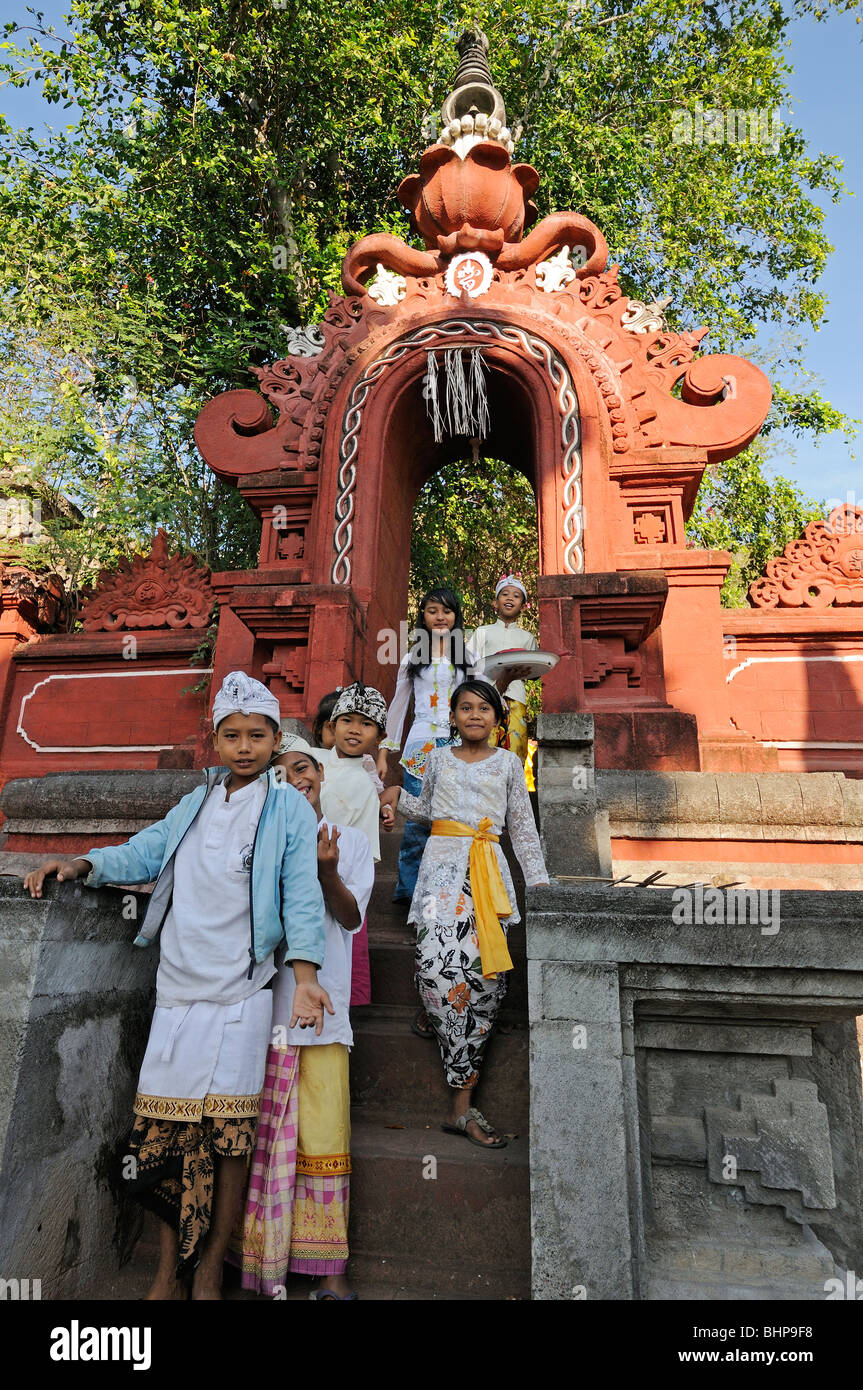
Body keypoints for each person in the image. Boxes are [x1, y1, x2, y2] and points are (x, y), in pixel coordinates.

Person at [23, 671, 329, 1301]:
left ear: (276, 739)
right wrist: (83, 862)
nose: (244, 746)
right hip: (176, 993)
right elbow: (147, 850)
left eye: (258, 735)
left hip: (243, 997)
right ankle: (169, 1270)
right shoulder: (195, 802)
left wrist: (304, 978)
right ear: (215, 740)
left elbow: (301, 895)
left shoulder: (289, 807)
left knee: (228, 1141)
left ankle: (212, 1266)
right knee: (164, 1141)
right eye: (232, 735)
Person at [380, 678, 549, 1149]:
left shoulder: (511, 764)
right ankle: (435, 1013)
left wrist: (540, 886)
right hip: (438, 874)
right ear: (452, 717)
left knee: (484, 981)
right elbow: (425, 809)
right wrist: (394, 797)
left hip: (487, 876)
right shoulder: (435, 759)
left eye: (484, 709)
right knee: (434, 971)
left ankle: (462, 1106)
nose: (475, 715)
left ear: (498, 719)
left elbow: (524, 830)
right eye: (465, 708)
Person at [234, 741, 374, 1300]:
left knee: (323, 1134)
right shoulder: (260, 844)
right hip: (266, 1005)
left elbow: (351, 916)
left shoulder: (353, 842)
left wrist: (327, 871)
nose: (294, 778)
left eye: (302, 768)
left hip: (323, 1009)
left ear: (320, 774)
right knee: (266, 1137)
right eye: (281, 772)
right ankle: (258, 1264)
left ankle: (329, 1273)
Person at [376, 587, 475, 905]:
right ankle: (408, 887)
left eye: (446, 610)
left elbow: (481, 698)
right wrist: (383, 752)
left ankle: (451, 887)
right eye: (433, 610)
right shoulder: (412, 657)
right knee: (418, 819)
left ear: (456, 616)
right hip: (419, 745)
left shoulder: (466, 656)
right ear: (424, 616)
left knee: (454, 818)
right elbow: (398, 705)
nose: (440, 616)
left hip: (457, 745)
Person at [468, 574, 538, 763]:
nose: (509, 598)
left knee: (516, 752)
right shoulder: (482, 632)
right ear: (495, 602)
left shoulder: (527, 638)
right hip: (485, 698)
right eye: (504, 594)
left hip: (516, 698)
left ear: (523, 606)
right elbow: (469, 663)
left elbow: (534, 672)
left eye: (516, 596)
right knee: (483, 749)